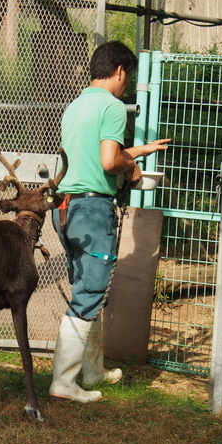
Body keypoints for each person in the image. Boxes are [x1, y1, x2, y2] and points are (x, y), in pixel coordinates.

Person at [49, 41, 171, 402]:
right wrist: (132, 168)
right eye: (127, 77)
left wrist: (137, 151)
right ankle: (63, 383)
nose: (127, 85)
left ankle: (92, 370)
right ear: (120, 71)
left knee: (87, 289)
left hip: (65, 208)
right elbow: (107, 163)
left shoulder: (76, 105)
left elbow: (93, 155)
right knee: (89, 295)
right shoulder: (113, 107)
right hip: (91, 209)